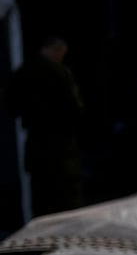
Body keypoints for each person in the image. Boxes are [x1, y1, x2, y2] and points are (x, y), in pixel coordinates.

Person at [7, 34, 85, 217]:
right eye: (60, 52)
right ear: (53, 49)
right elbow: (75, 107)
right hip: (59, 145)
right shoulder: (59, 72)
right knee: (64, 198)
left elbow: (13, 107)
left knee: (42, 197)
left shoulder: (23, 72)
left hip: (38, 143)